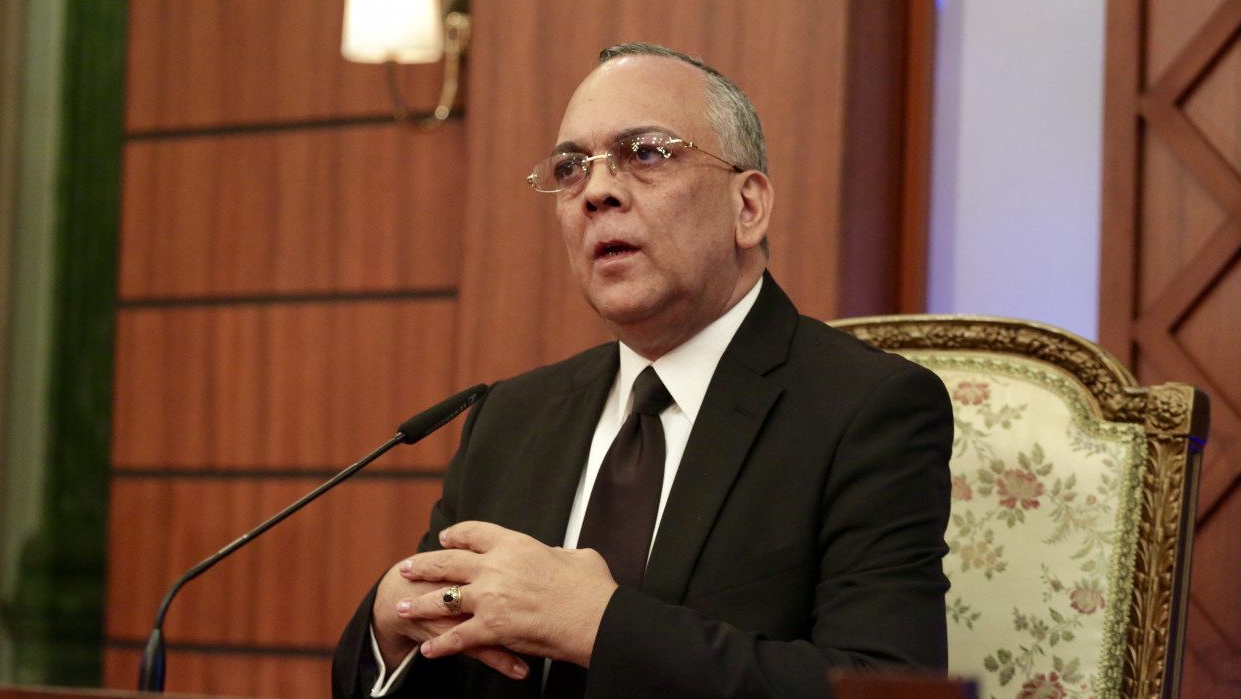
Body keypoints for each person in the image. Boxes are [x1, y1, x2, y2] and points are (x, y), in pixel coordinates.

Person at [332, 43, 953, 698]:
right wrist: (390, 629)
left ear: (747, 207)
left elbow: (889, 688)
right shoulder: (508, 419)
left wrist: (598, 625)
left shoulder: (866, 408)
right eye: (570, 168)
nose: (596, 191)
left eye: (647, 153)